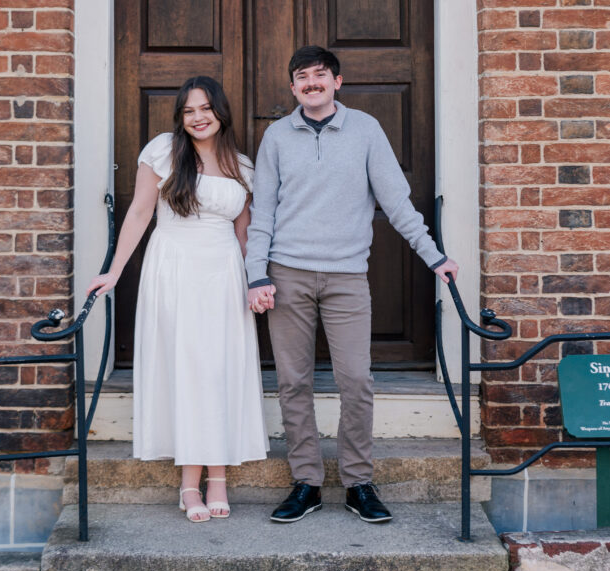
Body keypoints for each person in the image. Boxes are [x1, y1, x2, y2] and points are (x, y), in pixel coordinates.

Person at [245, 45, 458, 524]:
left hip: (346, 276)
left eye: (320, 75)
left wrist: (434, 256)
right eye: (302, 77)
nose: (311, 83)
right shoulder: (277, 137)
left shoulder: (365, 130)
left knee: (356, 381)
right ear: (293, 87)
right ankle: (307, 482)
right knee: (293, 382)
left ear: (337, 82)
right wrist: (255, 274)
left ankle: (359, 481)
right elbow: (263, 214)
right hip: (286, 273)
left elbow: (396, 202)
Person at [87, 76, 268, 523]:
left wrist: (254, 280)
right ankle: (190, 484)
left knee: (220, 367)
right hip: (174, 267)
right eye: (188, 111)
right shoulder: (163, 152)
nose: (198, 117)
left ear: (220, 112)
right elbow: (140, 212)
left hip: (223, 271)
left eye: (205, 108)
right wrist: (113, 270)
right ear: (180, 117)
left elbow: (245, 233)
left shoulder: (242, 166)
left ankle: (219, 478)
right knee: (188, 369)